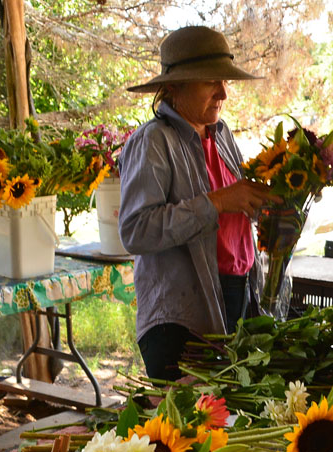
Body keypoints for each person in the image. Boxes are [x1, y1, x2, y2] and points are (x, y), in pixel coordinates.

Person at [118, 26, 279, 381]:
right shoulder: (152, 141)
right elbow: (136, 230)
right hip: (181, 318)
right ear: (174, 87)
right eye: (210, 82)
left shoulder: (221, 136)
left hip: (236, 297)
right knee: (190, 429)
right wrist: (218, 202)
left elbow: (236, 209)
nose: (223, 92)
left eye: (224, 81)